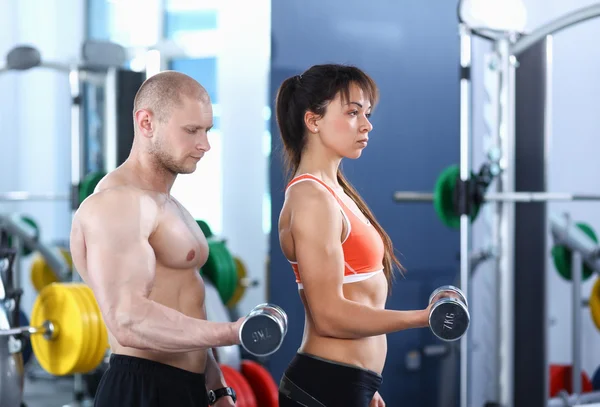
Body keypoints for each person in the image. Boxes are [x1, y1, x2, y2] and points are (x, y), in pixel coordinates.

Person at [70, 71, 243, 407]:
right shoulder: (118, 202)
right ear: (146, 123)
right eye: (191, 130)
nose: (204, 144)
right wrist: (233, 332)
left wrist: (216, 385)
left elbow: (181, 305)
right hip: (142, 387)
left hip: (187, 387)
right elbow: (128, 319)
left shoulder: (169, 204)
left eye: (206, 130)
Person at [275, 64, 433, 407]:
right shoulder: (311, 197)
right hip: (324, 387)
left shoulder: (335, 191)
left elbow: (357, 296)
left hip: (348, 384)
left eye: (367, 113)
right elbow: (329, 315)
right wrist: (423, 317)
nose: (366, 124)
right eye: (352, 112)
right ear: (313, 120)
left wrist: (366, 387)